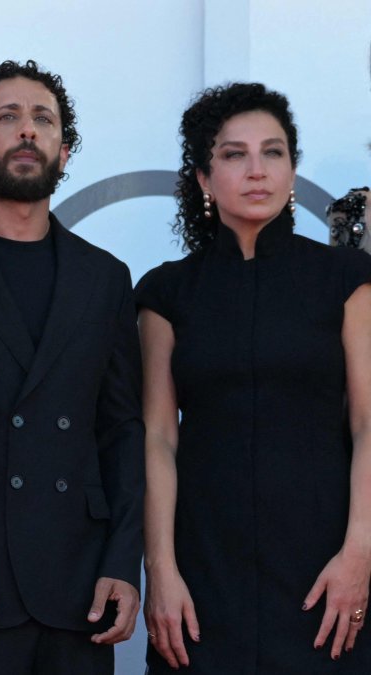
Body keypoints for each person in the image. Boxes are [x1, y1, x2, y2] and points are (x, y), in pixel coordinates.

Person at [0, 60, 144, 675]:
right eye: (8, 117)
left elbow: (123, 432)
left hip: (79, 587)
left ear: (64, 152)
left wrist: (123, 562)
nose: (27, 131)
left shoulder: (106, 278)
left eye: (43, 119)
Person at [139, 82, 371, 672]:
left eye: (274, 152)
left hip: (326, 573)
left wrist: (359, 554)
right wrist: (160, 573)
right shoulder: (168, 291)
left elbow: (369, 424)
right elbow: (158, 438)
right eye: (233, 154)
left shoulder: (345, 277)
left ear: (293, 168)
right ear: (202, 178)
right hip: (203, 573)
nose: (257, 170)